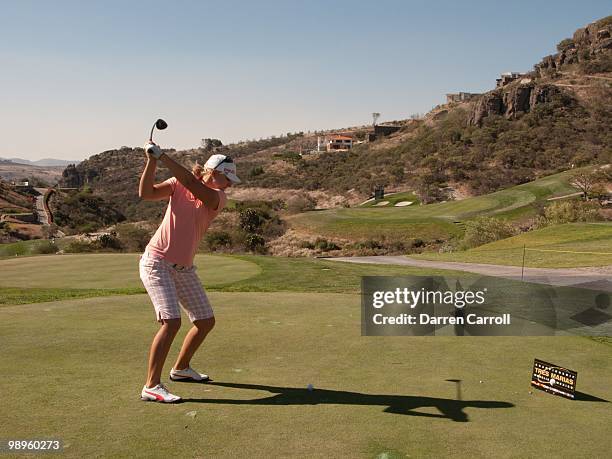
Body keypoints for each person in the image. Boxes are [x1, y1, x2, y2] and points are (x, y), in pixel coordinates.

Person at [138, 141, 240, 403]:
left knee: (205, 321)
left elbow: (193, 185)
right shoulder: (177, 183)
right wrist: (152, 161)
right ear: (212, 171)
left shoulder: (218, 198)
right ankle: (151, 385)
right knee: (171, 322)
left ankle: (181, 368)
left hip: (184, 269)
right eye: (227, 178)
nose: (230, 184)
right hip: (157, 262)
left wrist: (164, 157)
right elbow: (146, 193)